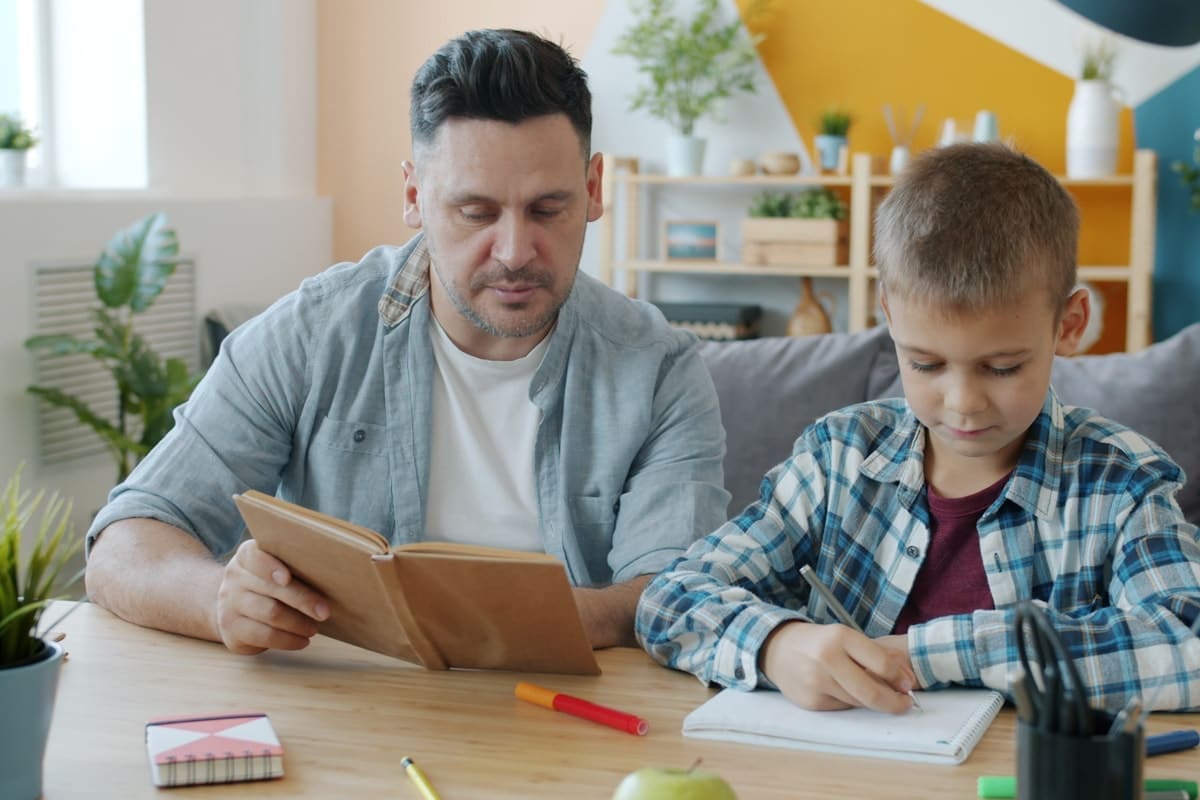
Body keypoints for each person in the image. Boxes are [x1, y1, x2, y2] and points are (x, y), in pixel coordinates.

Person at [84, 28, 729, 656]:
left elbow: (669, 594)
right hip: (353, 716)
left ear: (592, 191)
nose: (513, 252)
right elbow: (123, 545)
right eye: (475, 213)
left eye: (546, 209)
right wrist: (217, 598)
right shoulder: (312, 333)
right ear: (415, 195)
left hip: (575, 720)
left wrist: (470, 620)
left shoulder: (659, 370)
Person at [636, 143, 1200, 715]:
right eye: (925, 364)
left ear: (1069, 325)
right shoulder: (838, 460)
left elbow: (1190, 643)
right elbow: (670, 600)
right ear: (889, 313)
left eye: (1002, 367)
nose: (963, 404)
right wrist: (775, 646)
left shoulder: (1122, 483)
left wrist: (930, 654)